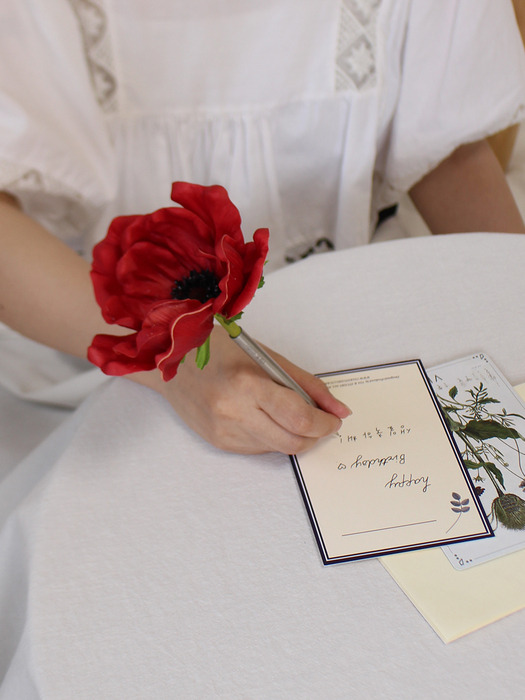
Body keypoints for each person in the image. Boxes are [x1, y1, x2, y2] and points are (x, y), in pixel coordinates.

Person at [1, 0, 525, 455]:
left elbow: (444, 143)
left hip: (348, 310)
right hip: (91, 346)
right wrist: (178, 362)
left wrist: (512, 303)